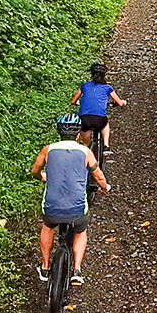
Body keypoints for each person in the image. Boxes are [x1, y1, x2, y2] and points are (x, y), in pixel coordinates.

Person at [31, 113, 109, 286]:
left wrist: (42, 177)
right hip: (76, 209)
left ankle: (44, 267)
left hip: (52, 207)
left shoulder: (48, 150)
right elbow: (99, 176)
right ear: (78, 134)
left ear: (59, 133)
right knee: (81, 230)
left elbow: (35, 170)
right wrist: (105, 188)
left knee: (48, 225)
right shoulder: (86, 152)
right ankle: (77, 270)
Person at [71, 62, 126, 154]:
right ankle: (106, 146)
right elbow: (119, 103)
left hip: (85, 119)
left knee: (85, 144)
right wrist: (123, 102)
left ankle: (84, 157)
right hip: (99, 119)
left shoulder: (84, 86)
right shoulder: (107, 88)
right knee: (105, 124)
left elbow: (73, 101)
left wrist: (77, 103)